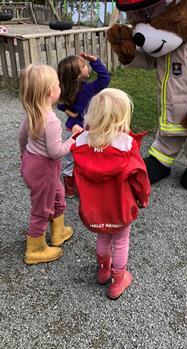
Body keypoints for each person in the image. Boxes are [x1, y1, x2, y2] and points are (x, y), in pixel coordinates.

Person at [71, 88, 150, 299]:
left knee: (103, 235)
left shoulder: (81, 143)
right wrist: (142, 199)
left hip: (95, 209)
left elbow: (73, 171)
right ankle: (117, 280)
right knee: (121, 240)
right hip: (120, 207)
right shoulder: (126, 145)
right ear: (123, 118)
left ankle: (103, 271)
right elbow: (140, 177)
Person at [19, 64, 82, 265]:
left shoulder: (32, 113)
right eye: (57, 84)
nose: (60, 87)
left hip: (32, 162)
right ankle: (35, 248)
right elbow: (56, 153)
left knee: (58, 195)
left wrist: (24, 157)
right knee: (41, 209)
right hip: (44, 168)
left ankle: (57, 232)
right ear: (50, 92)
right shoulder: (51, 121)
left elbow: (22, 137)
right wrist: (73, 139)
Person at [57, 52, 111, 197]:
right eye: (84, 66)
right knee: (91, 156)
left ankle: (70, 188)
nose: (87, 67)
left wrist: (68, 111)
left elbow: (59, 104)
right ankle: (88, 184)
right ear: (77, 75)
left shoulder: (65, 89)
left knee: (71, 159)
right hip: (89, 130)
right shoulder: (90, 89)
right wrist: (96, 62)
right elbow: (105, 78)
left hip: (73, 130)